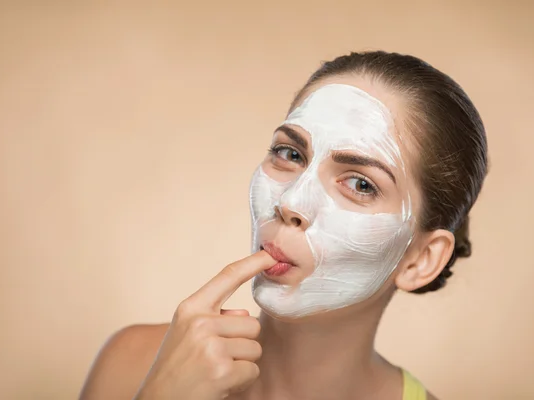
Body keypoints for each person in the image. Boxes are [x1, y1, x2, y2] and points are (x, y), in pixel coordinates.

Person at [79, 51, 488, 400]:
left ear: (421, 260)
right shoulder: (132, 364)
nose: (291, 202)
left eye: (361, 184)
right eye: (289, 153)